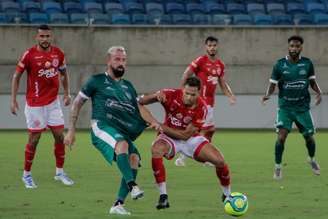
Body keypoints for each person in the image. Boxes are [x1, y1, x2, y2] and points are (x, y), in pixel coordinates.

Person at [64, 46, 161, 216]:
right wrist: (71, 130)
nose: (121, 63)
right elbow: (77, 103)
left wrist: (154, 122)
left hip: (120, 130)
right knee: (121, 144)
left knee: (134, 158)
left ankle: (118, 204)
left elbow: (138, 108)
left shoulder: (128, 87)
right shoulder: (96, 81)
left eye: (123, 60)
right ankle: (133, 186)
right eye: (117, 59)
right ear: (108, 61)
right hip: (101, 127)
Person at [139, 76, 232, 209]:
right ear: (183, 90)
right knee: (156, 150)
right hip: (169, 137)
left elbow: (184, 136)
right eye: (186, 93)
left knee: (220, 161)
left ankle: (227, 195)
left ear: (199, 93)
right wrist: (154, 98)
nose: (188, 97)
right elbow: (140, 102)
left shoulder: (202, 108)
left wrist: (160, 125)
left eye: (192, 94)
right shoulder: (170, 94)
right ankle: (163, 196)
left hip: (190, 139)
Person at [10, 24, 74, 189]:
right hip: (35, 105)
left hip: (53, 104)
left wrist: (66, 93)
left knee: (60, 137)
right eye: (42, 36)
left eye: (47, 36)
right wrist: (13, 99)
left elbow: (64, 73)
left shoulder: (58, 54)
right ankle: (26, 174)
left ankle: (59, 172)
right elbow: (16, 76)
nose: (45, 39)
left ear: (51, 37)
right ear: (37, 37)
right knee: (34, 140)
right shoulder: (29, 55)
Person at [261, 35, 322, 180]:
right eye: (292, 46)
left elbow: (312, 82)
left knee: (309, 138)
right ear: (288, 47)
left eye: (297, 46)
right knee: (281, 137)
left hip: (302, 108)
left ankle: (312, 159)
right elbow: (272, 83)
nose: (294, 48)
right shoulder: (280, 65)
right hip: (285, 108)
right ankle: (277, 167)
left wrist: (319, 92)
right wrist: (267, 95)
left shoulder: (307, 64)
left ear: (301, 47)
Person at [175, 36, 236, 167]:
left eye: (214, 45)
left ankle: (193, 155)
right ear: (206, 47)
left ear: (217, 47)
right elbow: (186, 74)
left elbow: (222, 83)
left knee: (209, 130)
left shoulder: (220, 64)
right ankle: (193, 156)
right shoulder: (200, 61)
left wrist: (229, 95)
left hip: (210, 102)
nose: (212, 48)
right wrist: (183, 93)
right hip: (200, 102)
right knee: (203, 129)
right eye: (209, 45)